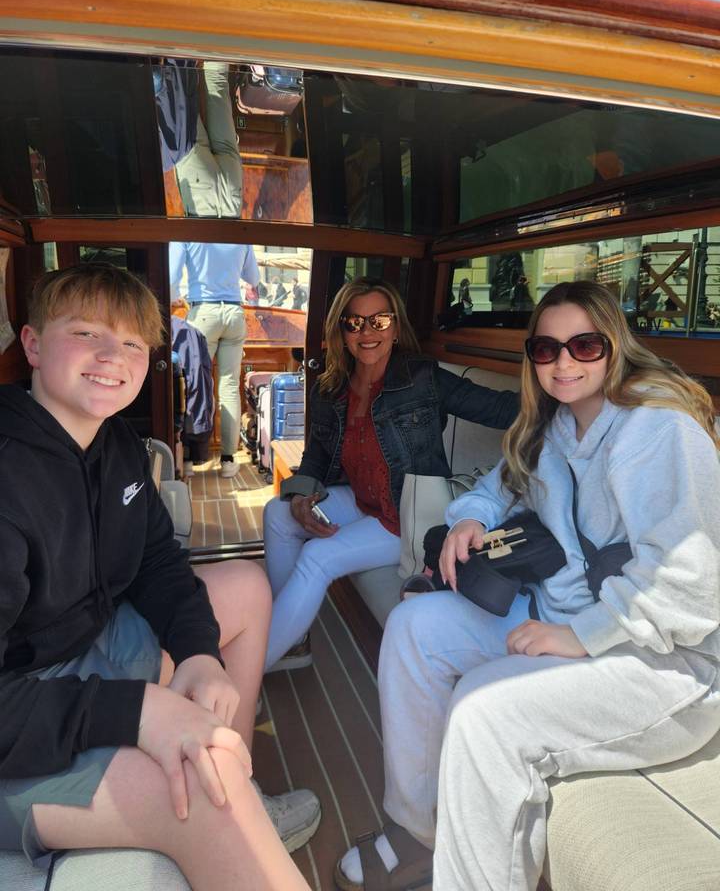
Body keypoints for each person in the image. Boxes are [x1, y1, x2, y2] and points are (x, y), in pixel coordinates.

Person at [335, 280, 720, 891]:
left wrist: (580, 635)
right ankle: (421, 830)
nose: (563, 362)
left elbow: (691, 589)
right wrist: (470, 517)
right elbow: (498, 485)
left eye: (583, 345)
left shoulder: (657, 432)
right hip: (558, 615)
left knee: (482, 712)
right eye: (545, 349)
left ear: (612, 346)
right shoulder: (555, 425)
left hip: (659, 662)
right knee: (413, 630)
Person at [0, 264, 321, 891]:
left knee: (249, 588)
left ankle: (244, 796)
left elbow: (157, 563)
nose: (110, 356)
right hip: (21, 724)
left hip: (87, 648)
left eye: (129, 343)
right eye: (87, 332)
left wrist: (199, 653)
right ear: (34, 346)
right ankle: (231, 808)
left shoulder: (116, 443)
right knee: (208, 786)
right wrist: (137, 711)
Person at [262, 277, 519, 671]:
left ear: (396, 327)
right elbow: (315, 455)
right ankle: (292, 640)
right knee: (278, 512)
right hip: (364, 502)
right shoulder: (331, 389)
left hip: (408, 515)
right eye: (354, 323)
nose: (367, 332)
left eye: (379, 321)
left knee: (317, 556)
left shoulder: (423, 380)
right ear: (341, 331)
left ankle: (248, 668)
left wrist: (567, 391)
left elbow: (502, 409)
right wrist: (300, 496)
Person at [169, 241, 260, 478]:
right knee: (229, 386)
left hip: (203, 314)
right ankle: (229, 460)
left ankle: (189, 458)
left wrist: (176, 297)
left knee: (194, 385)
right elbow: (253, 277)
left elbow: (170, 278)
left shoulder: (187, 235)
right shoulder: (240, 236)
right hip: (234, 314)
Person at [154, 59, 243, 218]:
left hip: (232, 201)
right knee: (184, 108)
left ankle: (215, 37)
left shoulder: (246, 244)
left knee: (218, 84)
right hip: (202, 203)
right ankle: (181, 49)